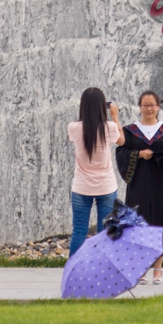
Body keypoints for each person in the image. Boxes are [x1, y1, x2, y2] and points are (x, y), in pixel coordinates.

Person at [116, 90, 163, 285]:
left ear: (158, 107)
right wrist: (138, 155)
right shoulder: (130, 130)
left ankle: (158, 269)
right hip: (139, 184)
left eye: (152, 105)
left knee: (159, 224)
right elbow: (121, 152)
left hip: (161, 183)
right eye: (145, 105)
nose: (149, 108)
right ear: (140, 107)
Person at [67, 87, 124, 257]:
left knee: (79, 231)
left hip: (81, 186)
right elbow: (121, 141)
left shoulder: (74, 127)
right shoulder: (109, 127)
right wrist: (115, 116)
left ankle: (75, 274)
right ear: (102, 106)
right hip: (106, 186)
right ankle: (102, 274)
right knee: (104, 232)